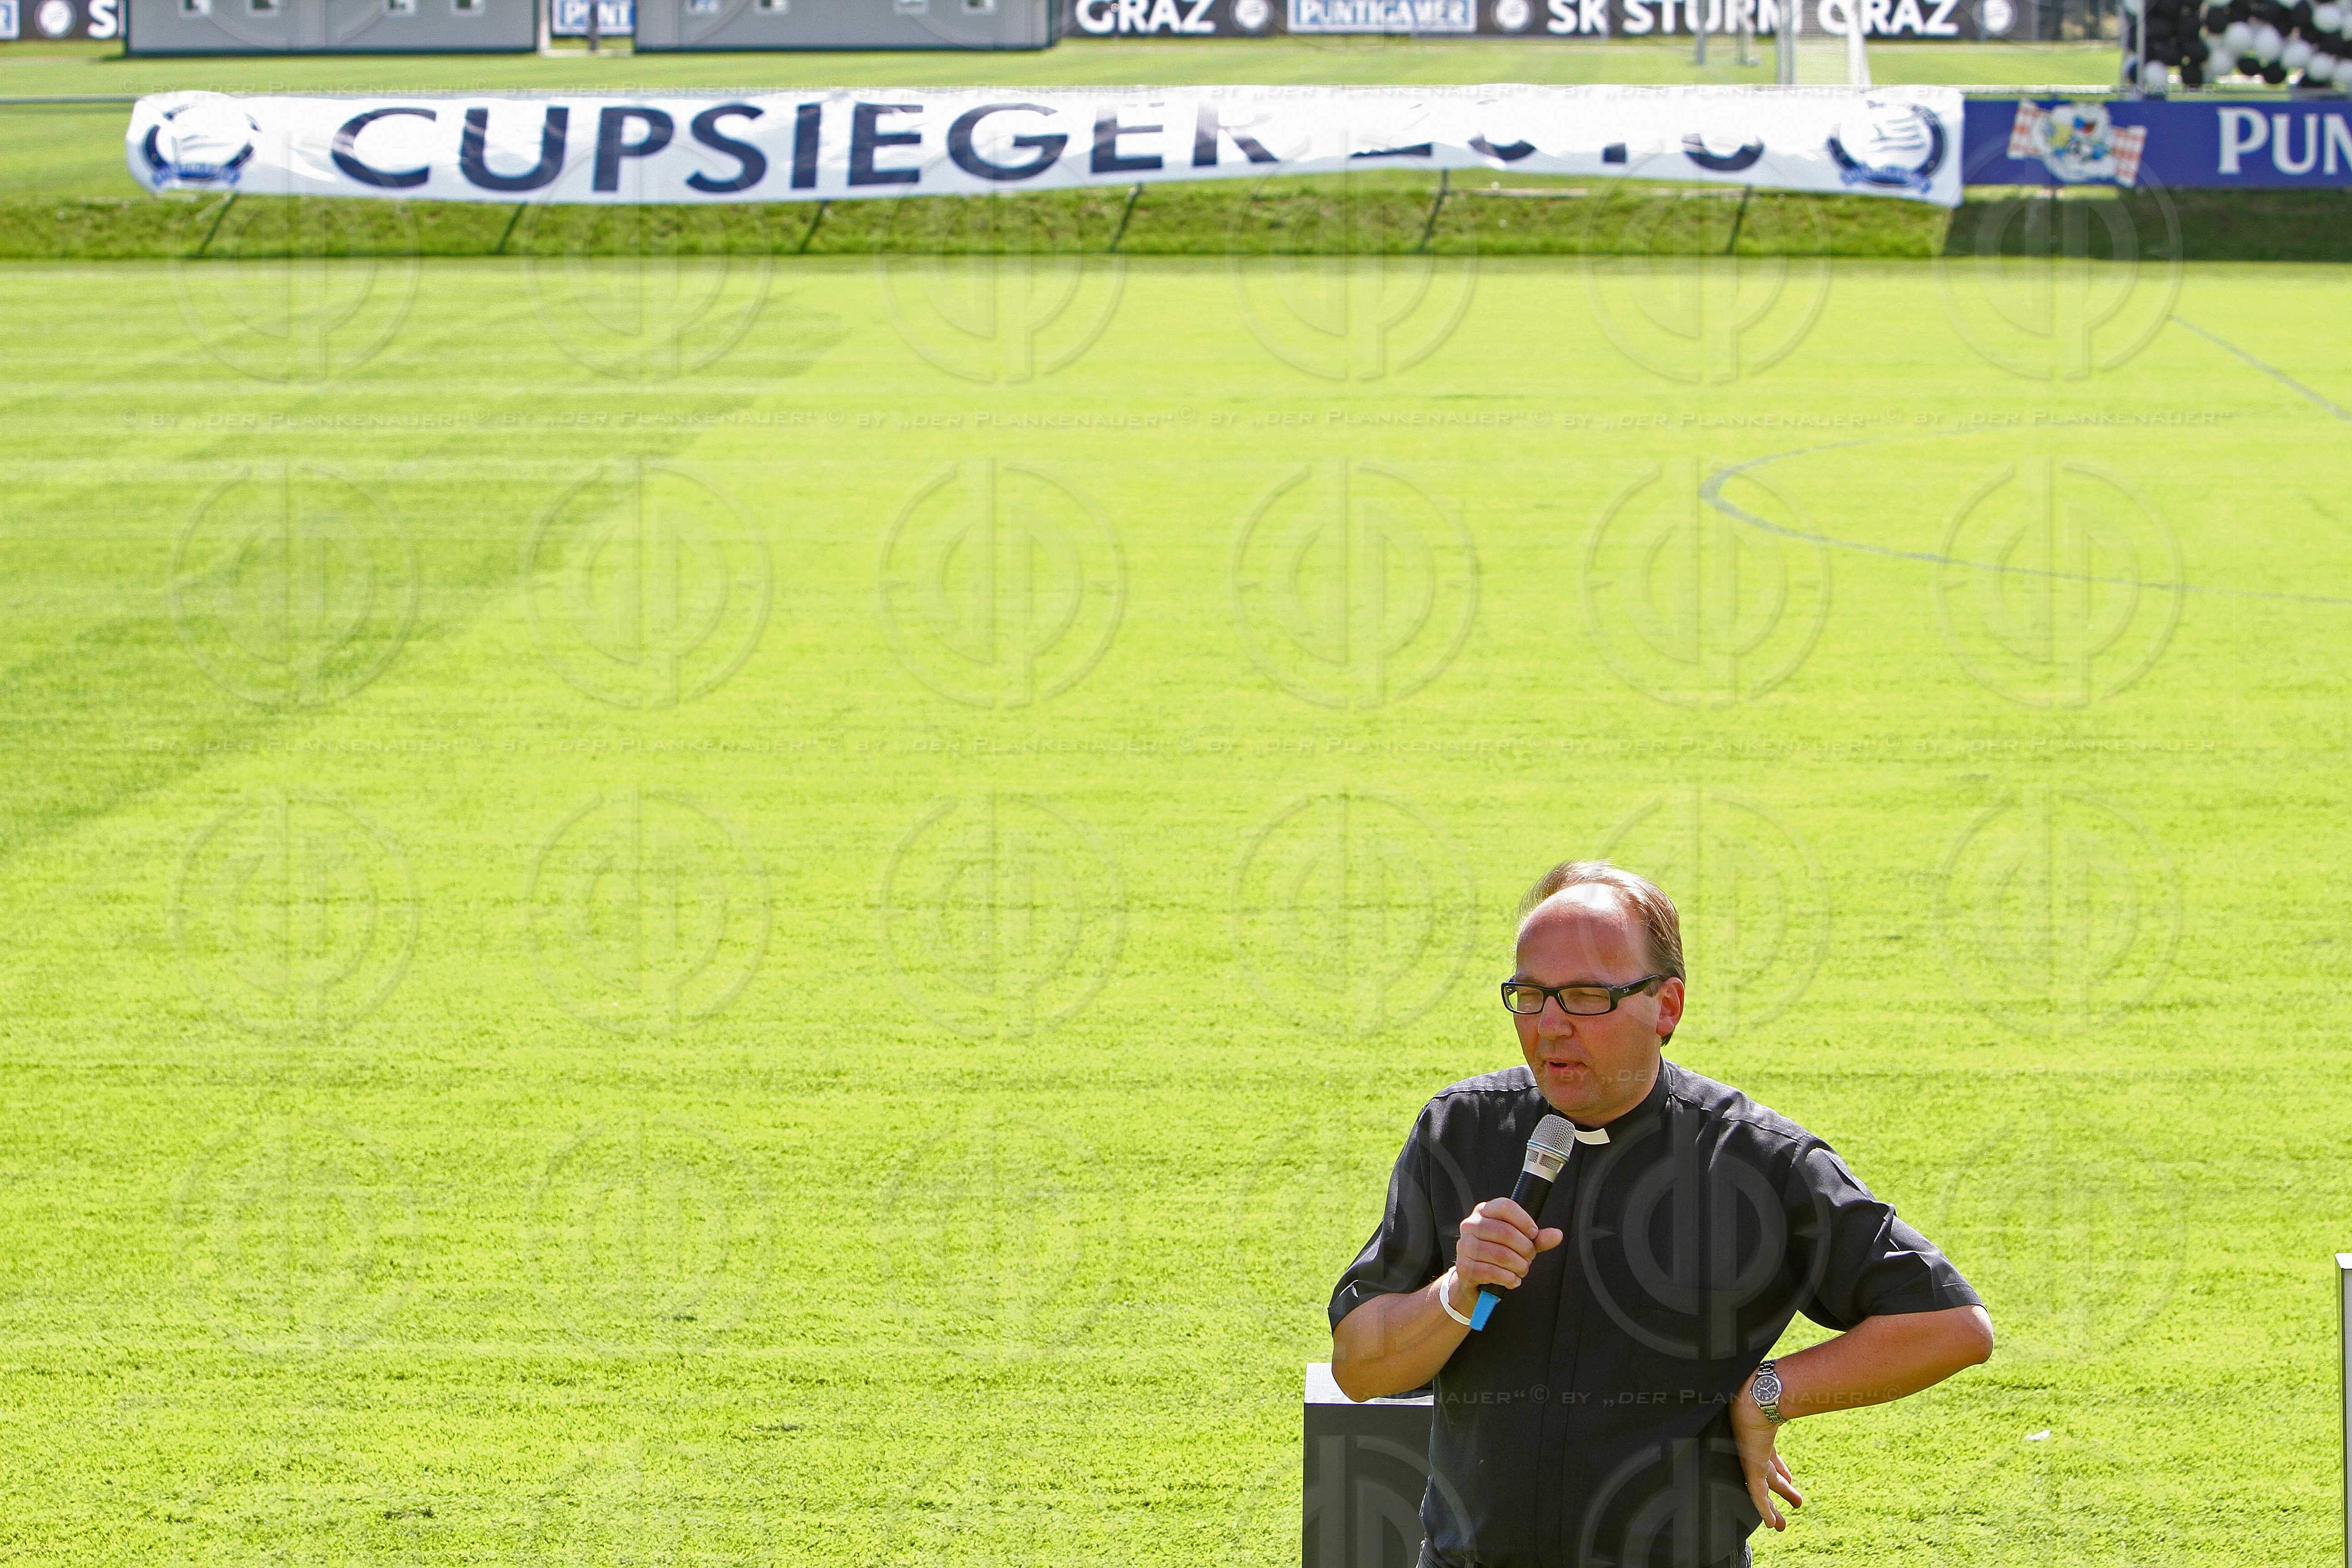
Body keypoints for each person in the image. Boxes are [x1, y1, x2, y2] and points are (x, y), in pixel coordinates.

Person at [1328, 860, 1994, 1568]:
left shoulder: (1758, 1162)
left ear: (1666, 1007)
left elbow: (1951, 1325)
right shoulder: (1459, 1132)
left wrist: (1768, 1394)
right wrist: (1456, 1294)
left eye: (1585, 996)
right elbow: (1359, 1370)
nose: (1550, 1026)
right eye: (1530, 995)